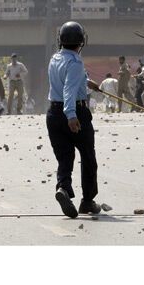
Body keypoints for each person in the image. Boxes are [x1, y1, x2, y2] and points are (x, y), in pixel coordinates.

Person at [46, 21, 102, 219]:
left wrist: (87, 82)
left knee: (64, 157)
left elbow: (67, 80)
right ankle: (87, 201)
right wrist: (71, 115)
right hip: (74, 112)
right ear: (81, 41)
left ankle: (63, 188)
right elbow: (69, 89)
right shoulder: (76, 62)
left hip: (53, 114)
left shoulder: (54, 59)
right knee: (88, 157)